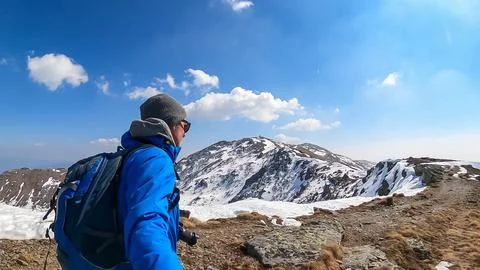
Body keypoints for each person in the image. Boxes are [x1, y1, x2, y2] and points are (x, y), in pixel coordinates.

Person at [117, 93, 190, 269]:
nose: (186, 133)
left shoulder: (131, 154)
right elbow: (147, 224)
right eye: (185, 125)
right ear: (172, 125)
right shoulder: (156, 159)